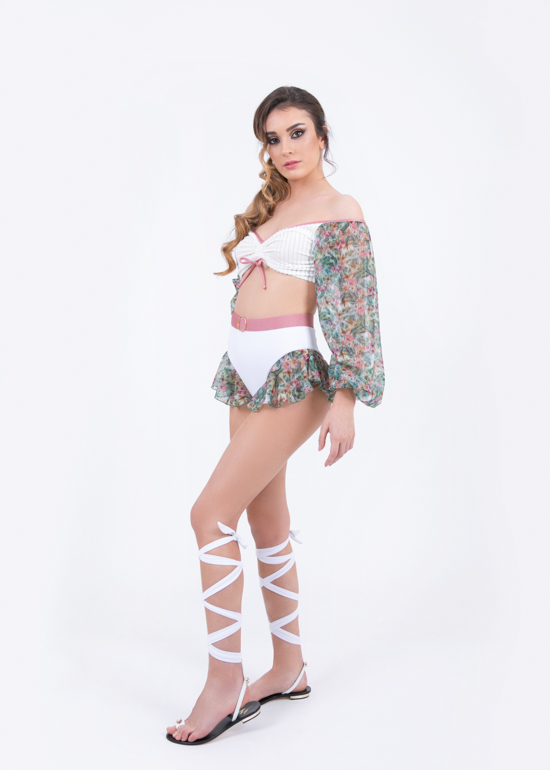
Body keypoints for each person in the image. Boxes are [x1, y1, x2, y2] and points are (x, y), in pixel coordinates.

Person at [166, 85, 385, 746]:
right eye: (273, 137)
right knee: (267, 522)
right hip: (244, 373)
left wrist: (345, 400)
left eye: (297, 132)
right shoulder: (277, 204)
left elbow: (354, 310)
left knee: (209, 515)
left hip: (294, 373)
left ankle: (224, 682)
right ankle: (289, 668)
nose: (286, 147)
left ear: (322, 135)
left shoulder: (340, 210)